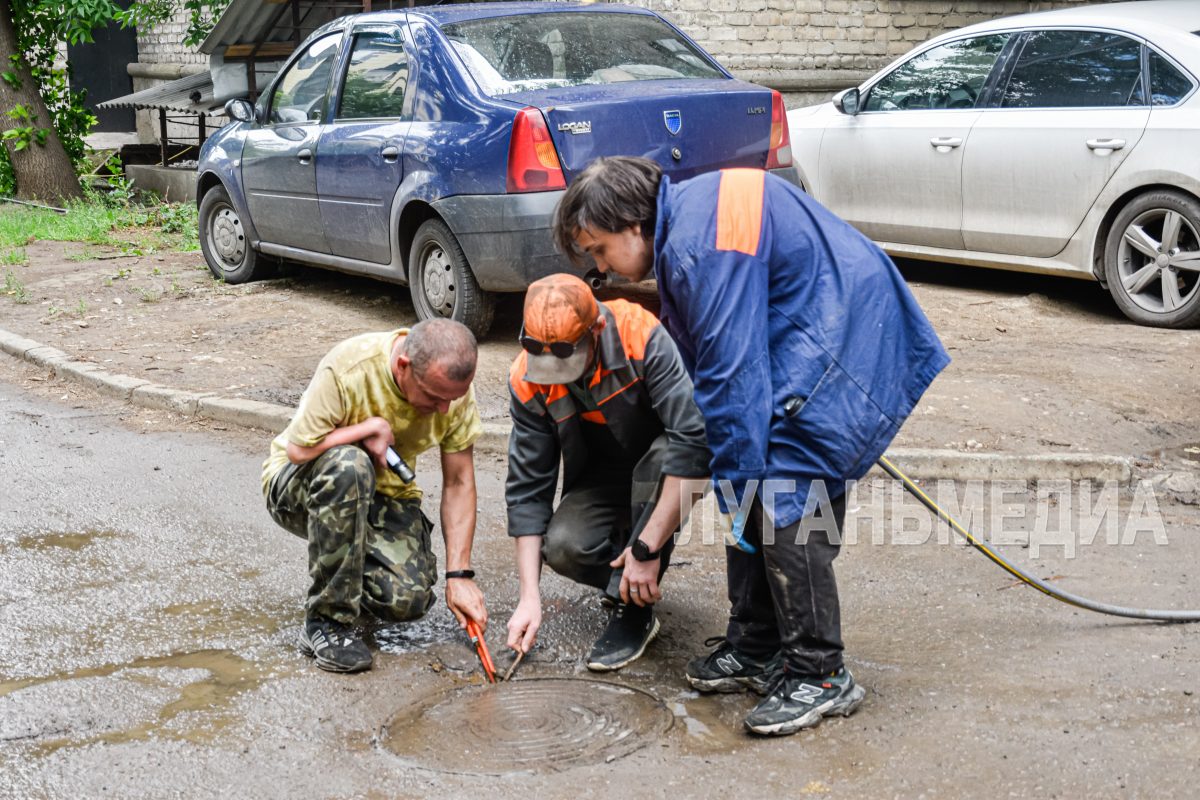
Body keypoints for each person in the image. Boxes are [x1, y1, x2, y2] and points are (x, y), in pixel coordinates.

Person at [552, 157, 949, 735]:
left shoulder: (695, 250)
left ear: (633, 223)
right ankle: (760, 643)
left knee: (788, 490)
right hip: (810, 324)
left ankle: (819, 672)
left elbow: (732, 382)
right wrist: (736, 488)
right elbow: (717, 382)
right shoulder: (686, 225)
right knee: (751, 485)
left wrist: (737, 490)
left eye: (599, 249)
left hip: (841, 337)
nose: (600, 265)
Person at [504, 273, 710, 671]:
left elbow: (694, 443)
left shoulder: (640, 336)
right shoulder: (525, 378)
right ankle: (630, 584)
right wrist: (530, 596)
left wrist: (646, 550)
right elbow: (528, 489)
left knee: (663, 457)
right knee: (563, 546)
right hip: (601, 471)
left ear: (595, 329)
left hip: (666, 469)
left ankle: (634, 605)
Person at [262, 319, 487, 673]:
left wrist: (459, 576)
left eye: (452, 399)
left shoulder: (451, 391)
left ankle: (348, 580)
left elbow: (459, 481)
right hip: (298, 487)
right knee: (350, 465)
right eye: (434, 397)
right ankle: (326, 622)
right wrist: (367, 429)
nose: (444, 409)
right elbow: (298, 451)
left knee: (407, 598)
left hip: (383, 495)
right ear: (403, 366)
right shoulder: (350, 367)